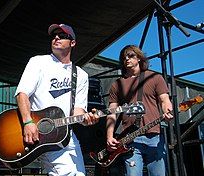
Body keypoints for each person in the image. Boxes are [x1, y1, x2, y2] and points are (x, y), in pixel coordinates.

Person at [15, 23, 99, 175]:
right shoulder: (38, 62)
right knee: (65, 172)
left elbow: (77, 111)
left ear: (72, 43)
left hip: (67, 136)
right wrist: (28, 122)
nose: (56, 37)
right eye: (54, 35)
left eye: (62, 35)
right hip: (41, 134)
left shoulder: (80, 75)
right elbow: (22, 93)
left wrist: (85, 119)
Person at [106, 45, 173, 176]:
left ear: (139, 58)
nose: (127, 59)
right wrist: (109, 136)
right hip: (130, 139)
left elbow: (164, 99)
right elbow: (111, 113)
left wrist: (168, 111)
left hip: (154, 137)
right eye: (124, 57)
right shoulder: (117, 85)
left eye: (130, 56)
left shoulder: (154, 77)